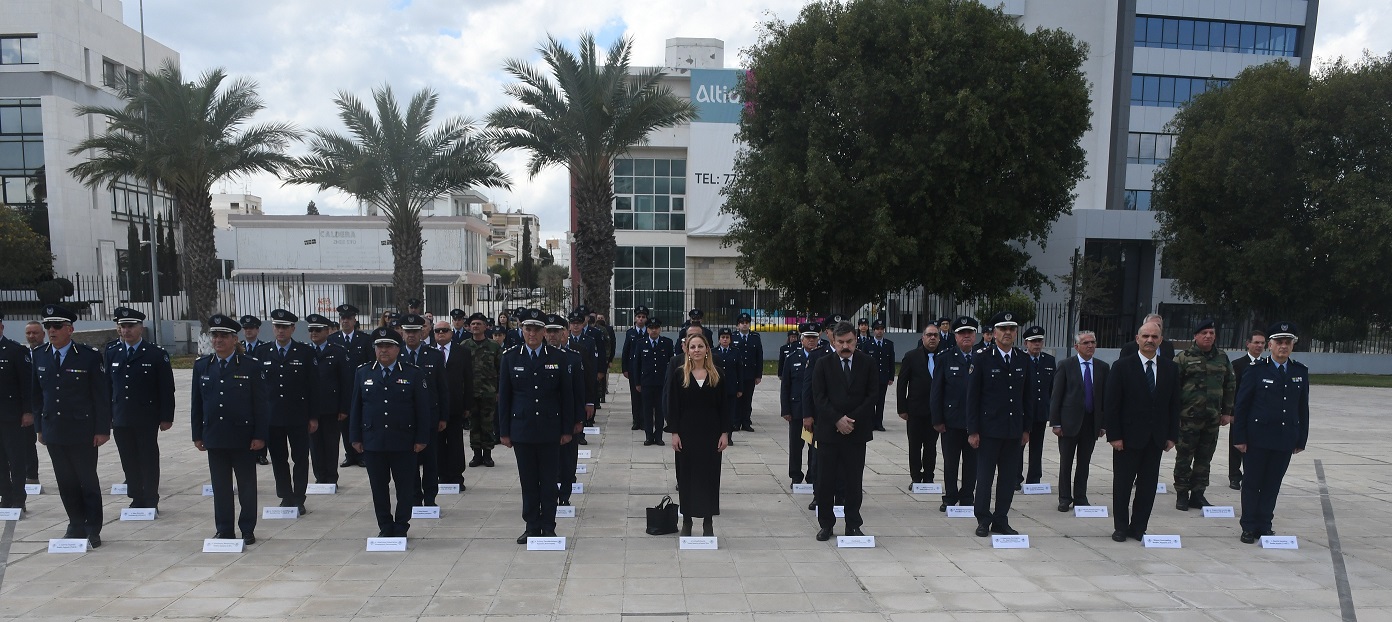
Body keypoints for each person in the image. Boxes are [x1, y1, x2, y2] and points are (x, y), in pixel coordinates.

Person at [31, 305, 111, 547]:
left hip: (82, 430)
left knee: (87, 480)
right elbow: (36, 394)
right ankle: (75, 524)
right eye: (48, 327)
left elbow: (100, 395)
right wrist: (40, 427)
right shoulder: (40, 355)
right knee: (65, 481)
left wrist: (102, 429)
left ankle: (92, 527)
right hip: (54, 429)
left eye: (56, 327)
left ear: (70, 329)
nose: (51, 331)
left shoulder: (88, 355)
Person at [498, 308, 576, 544]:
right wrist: (504, 431)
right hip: (522, 429)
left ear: (544, 332)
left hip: (550, 429)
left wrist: (566, 429)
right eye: (527, 329)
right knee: (528, 481)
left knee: (550, 481)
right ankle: (532, 525)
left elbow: (567, 397)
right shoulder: (510, 357)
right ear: (522, 331)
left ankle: (548, 526)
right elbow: (504, 397)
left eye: (536, 329)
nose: (532, 333)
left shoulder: (558, 357)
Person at [192, 314, 270, 543]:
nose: (218, 340)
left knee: (246, 487)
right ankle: (224, 529)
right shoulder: (202, 366)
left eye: (223, 336)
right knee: (221, 487)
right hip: (215, 435)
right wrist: (197, 434)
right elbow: (197, 404)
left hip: (243, 437)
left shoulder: (250, 366)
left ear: (234, 339)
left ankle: (247, 528)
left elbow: (261, 405)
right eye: (214, 335)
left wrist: (260, 435)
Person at [350, 327, 433, 538]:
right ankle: (385, 526)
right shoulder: (363, 372)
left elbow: (423, 409)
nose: (383, 350)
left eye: (388, 346)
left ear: (398, 349)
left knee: (404, 487)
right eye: (379, 346)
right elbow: (356, 407)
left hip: (403, 440)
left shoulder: (413, 373)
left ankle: (401, 525)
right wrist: (355, 437)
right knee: (378, 487)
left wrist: (422, 438)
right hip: (373, 440)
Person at [1232, 322, 1308, 544]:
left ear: (1292, 345)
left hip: (1284, 438)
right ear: (1270, 345)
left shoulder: (1299, 371)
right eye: (1279, 343)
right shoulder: (1256, 370)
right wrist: (1240, 437)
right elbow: (1242, 406)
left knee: (1272, 484)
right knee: (1252, 483)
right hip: (1258, 438)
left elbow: (1302, 408)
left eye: (1288, 342)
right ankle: (1248, 526)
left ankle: (1265, 524)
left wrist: (1301, 438)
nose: (1283, 347)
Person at [1105, 322, 1180, 543]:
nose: (1150, 340)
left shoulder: (1170, 368)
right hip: (1127, 439)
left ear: (1161, 340)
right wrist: (1114, 435)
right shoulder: (1122, 367)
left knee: (1147, 488)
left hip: (1155, 439)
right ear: (1137, 339)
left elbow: (1174, 404)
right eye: (1145, 336)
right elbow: (1112, 405)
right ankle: (1120, 527)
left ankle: (1138, 527)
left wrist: (1171, 435)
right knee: (1122, 485)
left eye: (1154, 336)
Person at [809, 321, 877, 541]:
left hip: (857, 432)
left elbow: (872, 395)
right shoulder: (822, 364)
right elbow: (819, 397)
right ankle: (826, 524)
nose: (845, 346)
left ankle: (853, 524)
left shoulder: (867, 363)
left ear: (856, 340)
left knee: (853, 481)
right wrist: (838, 419)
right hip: (829, 432)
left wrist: (851, 420)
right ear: (833, 341)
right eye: (841, 342)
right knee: (825, 481)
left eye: (849, 341)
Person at [966, 311, 1031, 537]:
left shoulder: (1023, 359)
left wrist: (1026, 429)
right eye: (1002, 329)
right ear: (994, 333)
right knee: (984, 478)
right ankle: (983, 519)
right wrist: (972, 430)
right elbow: (972, 397)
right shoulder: (982, 358)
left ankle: (1001, 519)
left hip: (1013, 431)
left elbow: (1027, 397)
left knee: (1007, 479)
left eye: (1011, 329)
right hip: (988, 430)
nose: (1007, 333)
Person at [104, 307, 175, 512]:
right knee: (128, 458)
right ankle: (136, 496)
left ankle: (151, 496)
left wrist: (166, 417)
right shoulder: (112, 352)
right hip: (121, 416)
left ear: (141, 328)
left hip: (146, 416)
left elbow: (166, 388)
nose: (126, 331)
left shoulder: (155, 354)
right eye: (123, 327)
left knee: (148, 457)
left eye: (131, 327)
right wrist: (107, 415)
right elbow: (107, 386)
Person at [253, 309, 318, 515]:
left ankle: (299, 496)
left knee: (300, 458)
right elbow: (256, 390)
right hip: (272, 417)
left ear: (293, 328)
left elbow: (313, 387)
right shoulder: (262, 352)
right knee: (279, 458)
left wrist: (313, 416)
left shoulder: (305, 353)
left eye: (284, 327)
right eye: (277, 327)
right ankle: (285, 495)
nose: (280, 331)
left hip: (298, 415)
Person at [667, 331, 732, 536]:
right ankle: (687, 521)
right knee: (686, 476)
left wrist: (725, 433)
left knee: (709, 476)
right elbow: (672, 405)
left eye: (700, 347)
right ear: (687, 350)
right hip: (686, 433)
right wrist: (674, 432)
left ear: (707, 350)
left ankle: (708, 521)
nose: (696, 350)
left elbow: (725, 407)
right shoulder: (679, 374)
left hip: (711, 434)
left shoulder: (718, 374)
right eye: (692, 346)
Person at [1172, 319, 1235, 511]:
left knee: (1205, 457)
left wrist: (1227, 412)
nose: (1208, 336)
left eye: (1211, 333)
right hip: (1188, 419)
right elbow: (1173, 389)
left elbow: (1230, 385)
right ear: (1195, 336)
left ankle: (1198, 494)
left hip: (1212, 418)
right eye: (1204, 333)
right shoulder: (1183, 358)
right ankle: (1182, 493)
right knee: (1184, 457)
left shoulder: (1222, 358)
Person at [1049, 330, 1108, 512]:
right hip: (1069, 423)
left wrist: (1103, 424)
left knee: (1084, 463)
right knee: (1066, 462)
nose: (1090, 346)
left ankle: (1080, 496)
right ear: (1076, 347)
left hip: (1091, 423)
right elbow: (1056, 395)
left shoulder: (1102, 367)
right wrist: (1056, 423)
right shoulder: (1066, 365)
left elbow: (1105, 397)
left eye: (1093, 342)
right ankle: (1065, 497)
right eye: (1086, 343)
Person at [398, 314, 448, 507]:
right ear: (402, 333)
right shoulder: (397, 354)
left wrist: (443, 416)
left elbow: (442, 388)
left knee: (430, 460)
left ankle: (430, 497)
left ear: (422, 333)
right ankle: (414, 497)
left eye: (415, 332)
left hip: (429, 416)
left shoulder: (434, 355)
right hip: (404, 419)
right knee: (409, 462)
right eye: (408, 332)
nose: (411, 336)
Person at [931, 316, 978, 512]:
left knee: (972, 463)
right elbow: (936, 392)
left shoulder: (982, 357)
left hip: (974, 422)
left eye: (969, 333)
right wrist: (937, 420)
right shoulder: (944, 358)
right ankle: (950, 496)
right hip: (951, 421)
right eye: (961, 333)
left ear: (975, 335)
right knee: (951, 462)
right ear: (955, 336)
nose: (966, 336)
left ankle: (967, 496)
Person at [547, 314, 591, 507]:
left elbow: (579, 390)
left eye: (556, 331)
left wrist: (579, 419)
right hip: (545, 418)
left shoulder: (572, 357)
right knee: (547, 461)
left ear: (564, 332)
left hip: (568, 416)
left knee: (567, 459)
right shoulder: (537, 357)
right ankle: (548, 496)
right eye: (549, 331)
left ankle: (564, 495)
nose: (552, 335)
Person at [305, 314, 353, 486]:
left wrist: (344, 408)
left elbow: (346, 383)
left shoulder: (337, 351)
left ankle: (331, 478)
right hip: (311, 408)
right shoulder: (305, 351)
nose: (314, 333)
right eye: (311, 330)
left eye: (318, 330)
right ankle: (320, 477)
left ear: (327, 331)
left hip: (331, 407)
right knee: (315, 445)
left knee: (331, 444)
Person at [781, 323, 823, 491]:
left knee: (815, 447)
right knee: (796, 446)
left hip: (817, 411)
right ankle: (795, 476)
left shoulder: (822, 358)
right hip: (797, 410)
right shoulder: (792, 358)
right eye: (808, 338)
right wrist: (786, 410)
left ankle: (812, 477)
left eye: (814, 338)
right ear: (801, 339)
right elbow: (786, 385)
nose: (811, 341)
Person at [328, 304, 371, 468]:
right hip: (340, 388)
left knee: (361, 420)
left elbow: (370, 363)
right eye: (343, 318)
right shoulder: (333, 340)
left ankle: (362, 454)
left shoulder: (364, 339)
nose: (345, 321)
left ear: (354, 320)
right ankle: (350, 454)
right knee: (344, 423)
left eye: (348, 318)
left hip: (359, 386)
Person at [897, 323, 940, 485]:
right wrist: (902, 408)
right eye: (929, 335)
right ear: (923, 338)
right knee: (914, 446)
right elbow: (902, 383)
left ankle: (929, 476)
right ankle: (915, 477)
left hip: (935, 412)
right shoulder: (911, 356)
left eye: (935, 335)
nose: (932, 338)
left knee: (931, 446)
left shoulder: (943, 357)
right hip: (914, 410)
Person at [431, 320, 472, 488]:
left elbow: (468, 380)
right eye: (438, 331)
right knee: (438, 443)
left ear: (451, 333)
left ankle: (456, 476)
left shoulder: (462, 352)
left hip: (455, 405)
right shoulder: (430, 352)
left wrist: (468, 405)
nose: (441, 333)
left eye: (445, 330)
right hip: (435, 406)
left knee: (455, 443)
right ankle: (441, 475)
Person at [0, 314, 34, 511]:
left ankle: (19, 497)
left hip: (12, 415)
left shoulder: (15, 350)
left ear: (2, 327)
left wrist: (28, 411)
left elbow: (26, 384)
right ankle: (5, 495)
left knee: (16, 457)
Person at [462, 313, 501, 468]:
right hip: (470, 393)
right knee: (474, 424)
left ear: (486, 326)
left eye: (479, 324)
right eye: (473, 324)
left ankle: (488, 455)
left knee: (487, 424)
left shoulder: (494, 346)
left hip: (489, 392)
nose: (475, 326)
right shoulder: (464, 346)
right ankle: (476, 454)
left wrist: (498, 391)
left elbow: (500, 370)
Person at [1229, 330, 1266, 490]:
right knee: (1236, 445)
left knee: (1256, 445)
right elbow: (1232, 390)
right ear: (1248, 344)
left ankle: (1252, 475)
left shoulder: (1266, 365)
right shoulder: (1238, 365)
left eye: (1262, 343)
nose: (1259, 346)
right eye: (1256, 342)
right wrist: (1231, 413)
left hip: (1258, 413)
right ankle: (1234, 476)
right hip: (1240, 412)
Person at [1020, 326, 1055, 487]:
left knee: (1037, 447)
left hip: (1040, 411)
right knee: (1018, 446)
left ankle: (1034, 479)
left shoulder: (1049, 360)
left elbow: (1052, 388)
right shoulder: (1020, 359)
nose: (1037, 344)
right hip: (1022, 412)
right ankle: (1015, 478)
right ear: (1026, 342)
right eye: (1033, 341)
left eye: (1039, 341)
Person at [634, 317, 675, 446]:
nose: (654, 331)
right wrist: (637, 383)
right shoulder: (641, 343)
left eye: (656, 328)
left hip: (661, 383)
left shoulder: (666, 343)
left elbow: (671, 363)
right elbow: (637, 364)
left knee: (660, 410)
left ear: (660, 329)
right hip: (646, 382)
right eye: (651, 328)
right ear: (647, 330)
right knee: (646, 410)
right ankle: (648, 436)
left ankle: (658, 437)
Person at [567, 310, 601, 444]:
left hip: (583, 377)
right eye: (573, 323)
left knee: (581, 406)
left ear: (583, 325)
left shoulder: (589, 341)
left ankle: (581, 434)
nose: (575, 326)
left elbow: (592, 363)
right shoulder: (566, 340)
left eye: (578, 323)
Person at [731, 312, 763, 433]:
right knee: (737, 398)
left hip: (750, 373)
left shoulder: (755, 337)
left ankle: (746, 422)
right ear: (737, 325)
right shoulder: (733, 337)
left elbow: (759, 356)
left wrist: (758, 375)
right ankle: (735, 422)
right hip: (737, 374)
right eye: (742, 323)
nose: (744, 325)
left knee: (747, 399)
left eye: (746, 323)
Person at [712, 328, 745, 443]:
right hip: (716, 387)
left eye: (727, 337)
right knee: (717, 412)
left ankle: (728, 435)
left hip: (731, 387)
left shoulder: (736, 352)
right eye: (723, 337)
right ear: (719, 339)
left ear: (730, 339)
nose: (725, 340)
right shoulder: (713, 352)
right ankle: (717, 434)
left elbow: (740, 371)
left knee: (730, 413)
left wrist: (740, 388)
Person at [621, 306, 650, 431]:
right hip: (633, 369)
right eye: (639, 317)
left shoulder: (649, 332)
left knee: (645, 396)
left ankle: (644, 420)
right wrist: (625, 369)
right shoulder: (630, 333)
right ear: (635, 318)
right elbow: (625, 352)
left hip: (646, 369)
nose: (641, 319)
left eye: (643, 317)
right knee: (635, 396)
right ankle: (636, 420)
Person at [864, 319, 895, 432]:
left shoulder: (889, 344)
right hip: (871, 378)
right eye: (877, 329)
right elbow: (864, 362)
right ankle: (871, 423)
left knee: (881, 401)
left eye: (881, 329)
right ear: (873, 331)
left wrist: (891, 376)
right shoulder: (867, 344)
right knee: (871, 401)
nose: (879, 331)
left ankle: (879, 423)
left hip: (883, 377)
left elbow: (891, 361)